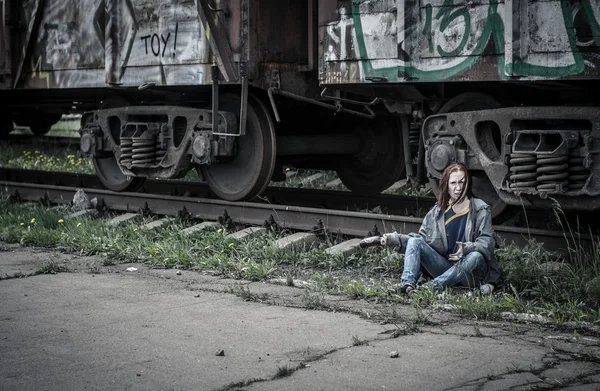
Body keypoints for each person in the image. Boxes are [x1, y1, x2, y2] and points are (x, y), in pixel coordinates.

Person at [380, 163, 501, 296]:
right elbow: (421, 241)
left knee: (475, 256)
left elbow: (487, 243)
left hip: (470, 273)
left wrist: (468, 248)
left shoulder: (480, 209)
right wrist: (397, 239)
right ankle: (407, 284)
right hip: (445, 268)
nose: (458, 187)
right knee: (414, 242)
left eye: (462, 182)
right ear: (446, 186)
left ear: (468, 184)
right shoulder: (437, 212)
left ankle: (431, 287)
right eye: (453, 183)